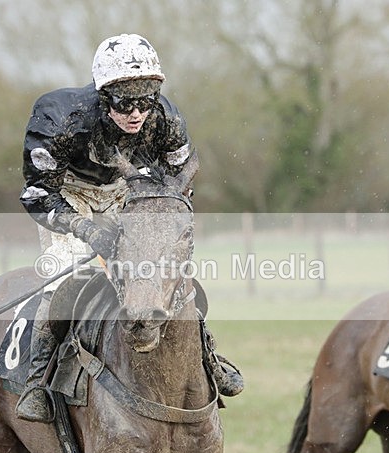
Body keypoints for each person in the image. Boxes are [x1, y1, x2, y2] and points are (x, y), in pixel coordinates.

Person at [15, 33, 243, 423]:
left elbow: (175, 187)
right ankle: (37, 381)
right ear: (104, 98)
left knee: (167, 274)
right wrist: (88, 231)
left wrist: (158, 233)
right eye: (125, 103)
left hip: (129, 195)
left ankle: (207, 352)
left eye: (146, 100)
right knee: (62, 276)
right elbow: (37, 195)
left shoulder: (168, 121)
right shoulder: (59, 118)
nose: (137, 113)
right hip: (69, 196)